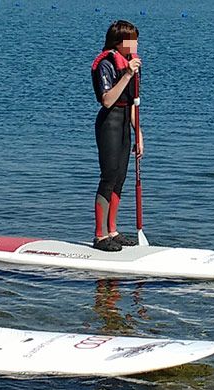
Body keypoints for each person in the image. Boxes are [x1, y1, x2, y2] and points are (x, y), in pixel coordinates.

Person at [90, 20, 143, 252]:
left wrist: (138, 133)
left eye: (136, 40)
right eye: (132, 40)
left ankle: (113, 231)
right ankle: (99, 236)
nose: (136, 44)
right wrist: (127, 75)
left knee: (120, 177)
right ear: (119, 43)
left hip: (124, 122)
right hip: (108, 123)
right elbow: (108, 100)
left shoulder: (131, 64)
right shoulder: (107, 64)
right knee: (109, 176)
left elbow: (133, 103)